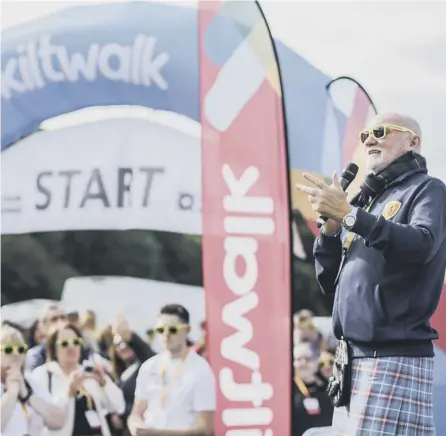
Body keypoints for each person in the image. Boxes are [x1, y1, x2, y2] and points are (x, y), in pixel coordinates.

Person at [296, 113, 446, 435]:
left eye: (380, 131)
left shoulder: (428, 189)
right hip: (351, 361)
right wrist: (332, 231)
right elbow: (329, 282)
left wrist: (350, 215)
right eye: (365, 135)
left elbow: (421, 245)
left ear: (412, 142)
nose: (369, 140)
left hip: (391, 355)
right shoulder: (368, 200)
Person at [128, 304, 216, 435]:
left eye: (173, 329)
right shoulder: (148, 366)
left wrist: (156, 433)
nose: (166, 334)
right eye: (160, 330)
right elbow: (136, 413)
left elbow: (205, 428)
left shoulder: (201, 369)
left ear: (187, 330)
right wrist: (135, 425)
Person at [32, 324, 125, 436]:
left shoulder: (88, 371)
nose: (71, 347)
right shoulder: (42, 375)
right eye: (65, 343)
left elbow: (118, 406)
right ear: (53, 348)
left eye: (76, 342)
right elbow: (44, 415)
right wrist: (68, 393)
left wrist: (104, 383)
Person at [1, 324, 65, 435]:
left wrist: (27, 395)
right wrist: (11, 393)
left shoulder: (30, 382)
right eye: (8, 349)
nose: (16, 354)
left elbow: (59, 421)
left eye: (21, 349)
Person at [292, 343, 334, 436]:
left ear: (316, 360)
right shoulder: (288, 390)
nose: (303, 363)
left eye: (308, 358)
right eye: (298, 359)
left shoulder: (330, 386)